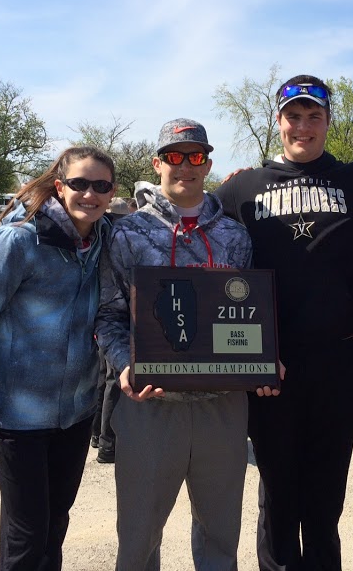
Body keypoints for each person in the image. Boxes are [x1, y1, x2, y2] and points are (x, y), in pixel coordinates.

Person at [214, 75, 353, 569]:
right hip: (271, 369)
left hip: (339, 363)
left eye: (314, 116)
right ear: (278, 121)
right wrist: (247, 357)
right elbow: (206, 258)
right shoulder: (242, 187)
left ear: (328, 121)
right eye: (293, 116)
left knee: (326, 501)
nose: (302, 126)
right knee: (278, 497)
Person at [96, 118, 275, 570]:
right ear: (157, 163)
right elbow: (108, 315)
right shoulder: (128, 232)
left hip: (223, 405)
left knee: (220, 538)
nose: (185, 166)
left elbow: (247, 316)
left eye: (195, 156)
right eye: (174, 156)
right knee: (138, 539)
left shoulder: (234, 235)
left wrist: (264, 360)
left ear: (208, 163)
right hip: (151, 405)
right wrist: (124, 365)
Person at [0, 145, 116, 571]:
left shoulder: (101, 239)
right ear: (60, 186)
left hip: (75, 415)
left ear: (112, 193)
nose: (90, 194)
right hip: (18, 418)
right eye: (79, 183)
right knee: (27, 538)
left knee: (53, 529)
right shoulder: (21, 238)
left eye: (101, 186)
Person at [89, 195, 131, 464]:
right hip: (108, 321)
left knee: (105, 379)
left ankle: (97, 435)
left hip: (101, 323)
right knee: (113, 382)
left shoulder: (101, 232)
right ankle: (107, 442)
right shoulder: (115, 237)